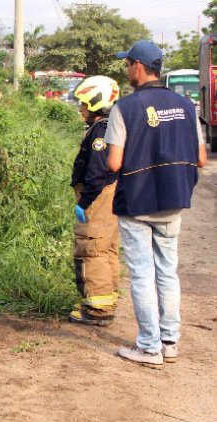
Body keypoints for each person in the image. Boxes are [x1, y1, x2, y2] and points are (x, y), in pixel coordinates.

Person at [106, 40, 208, 366]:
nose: (126, 70)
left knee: (141, 275)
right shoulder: (186, 106)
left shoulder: (124, 108)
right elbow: (202, 158)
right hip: (174, 200)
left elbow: (113, 164)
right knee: (167, 272)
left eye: (127, 64)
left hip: (137, 202)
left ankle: (149, 347)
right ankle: (169, 342)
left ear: (138, 66)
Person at [68, 75, 121, 326]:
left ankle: (98, 311)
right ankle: (106, 301)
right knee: (107, 248)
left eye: (83, 104)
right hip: (111, 195)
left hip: (98, 197)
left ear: (95, 102)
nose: (81, 108)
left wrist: (84, 202)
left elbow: (97, 172)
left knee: (92, 248)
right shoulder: (111, 125)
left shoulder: (101, 129)